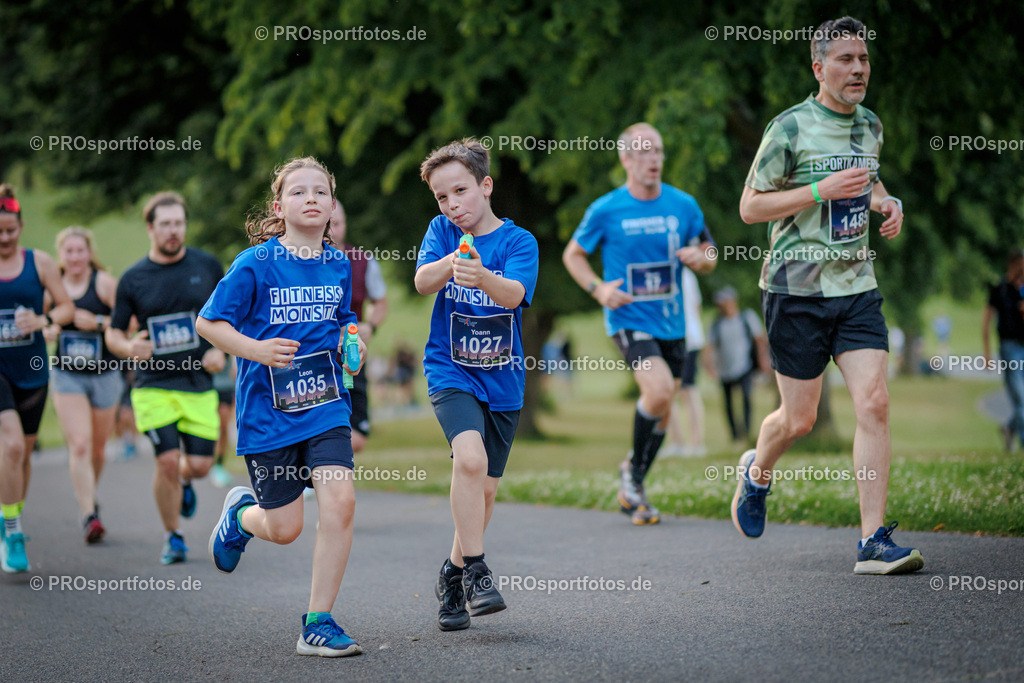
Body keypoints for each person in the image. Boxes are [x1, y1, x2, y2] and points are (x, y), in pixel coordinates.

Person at [735, 16, 923, 574]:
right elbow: (750, 207)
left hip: (856, 284)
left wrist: (886, 203)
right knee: (799, 419)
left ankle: (872, 542)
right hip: (796, 290)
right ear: (819, 68)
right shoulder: (790, 128)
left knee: (875, 401)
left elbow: (870, 181)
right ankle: (756, 473)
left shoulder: (870, 125)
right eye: (845, 59)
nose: (858, 68)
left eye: (863, 58)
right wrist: (818, 189)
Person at [200, 157, 366, 658]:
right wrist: (256, 349)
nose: (311, 198)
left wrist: (351, 340)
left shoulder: (338, 263)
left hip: (326, 404)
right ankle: (240, 517)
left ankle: (318, 622)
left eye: (321, 191)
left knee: (341, 501)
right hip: (268, 414)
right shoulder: (255, 263)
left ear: (332, 206)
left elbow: (343, 318)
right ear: (279, 207)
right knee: (285, 528)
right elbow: (209, 323)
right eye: (298, 192)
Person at [563, 123, 716, 525]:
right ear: (626, 159)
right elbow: (573, 255)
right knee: (660, 389)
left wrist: (703, 258)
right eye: (645, 151)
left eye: (658, 151)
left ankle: (633, 477)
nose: (654, 159)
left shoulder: (683, 204)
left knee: (663, 407)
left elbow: (710, 249)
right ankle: (634, 478)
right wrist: (598, 289)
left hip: (673, 322)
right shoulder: (606, 209)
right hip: (628, 317)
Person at [415, 139, 538, 631]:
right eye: (442, 197)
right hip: (450, 369)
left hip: (503, 379)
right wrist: (452, 262)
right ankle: (478, 572)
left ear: (485, 186)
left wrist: (482, 275)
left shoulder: (518, 241)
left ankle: (452, 574)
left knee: (483, 492)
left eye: (460, 191)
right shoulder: (442, 233)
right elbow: (423, 281)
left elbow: (514, 294)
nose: (452, 205)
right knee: (470, 460)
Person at [105, 191, 225, 565]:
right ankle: (173, 536)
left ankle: (185, 481)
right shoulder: (133, 279)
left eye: (179, 223)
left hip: (198, 384)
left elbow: (231, 316)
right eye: (165, 224)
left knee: (200, 466)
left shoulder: (208, 266)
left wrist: (221, 350)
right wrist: (129, 348)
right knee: (167, 461)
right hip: (153, 384)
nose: (173, 231)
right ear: (150, 228)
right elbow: (113, 333)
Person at [0, 185, 75, 573]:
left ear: (21, 226)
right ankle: (14, 532)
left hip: (31, 370)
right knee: (11, 445)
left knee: (23, 453)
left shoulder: (39, 262)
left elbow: (66, 308)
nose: (4, 237)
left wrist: (42, 320)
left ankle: (8, 514)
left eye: (10, 230)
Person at [42, 227, 122, 544]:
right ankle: (89, 514)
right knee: (79, 445)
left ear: (90, 253)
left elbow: (129, 322)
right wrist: (47, 330)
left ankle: (90, 497)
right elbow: (40, 321)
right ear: (61, 255)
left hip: (105, 374)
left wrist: (99, 323)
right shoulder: (53, 287)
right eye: (69, 251)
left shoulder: (104, 285)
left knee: (98, 449)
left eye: (80, 250)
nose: (75, 256)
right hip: (68, 375)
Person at [327, 201, 388, 453]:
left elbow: (381, 302)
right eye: (328, 224)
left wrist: (370, 326)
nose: (333, 230)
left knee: (357, 437)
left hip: (350, 355)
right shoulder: (302, 261)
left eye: (338, 223)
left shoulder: (362, 261)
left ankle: (324, 465)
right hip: (314, 355)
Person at [705, 287, 768, 444]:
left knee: (746, 397)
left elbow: (759, 339)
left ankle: (746, 431)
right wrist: (710, 367)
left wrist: (763, 360)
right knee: (728, 403)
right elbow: (710, 347)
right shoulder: (716, 324)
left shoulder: (746, 317)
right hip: (724, 369)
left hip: (745, 366)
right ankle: (735, 435)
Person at [982, 249, 1024, 452]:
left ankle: (1009, 427)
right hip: (1009, 347)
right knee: (1020, 396)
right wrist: (987, 354)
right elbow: (986, 321)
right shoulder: (1000, 289)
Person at [664, 267, 707, 457]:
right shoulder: (688, 274)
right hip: (678, 337)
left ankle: (696, 443)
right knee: (670, 391)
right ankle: (678, 441)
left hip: (685, 338)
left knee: (687, 390)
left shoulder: (679, 274)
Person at [209, 356, 236, 487]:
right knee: (211, 427)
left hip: (226, 386)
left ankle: (219, 465)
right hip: (207, 386)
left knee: (223, 426)